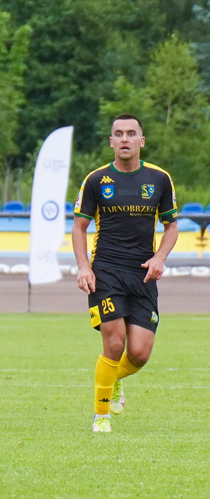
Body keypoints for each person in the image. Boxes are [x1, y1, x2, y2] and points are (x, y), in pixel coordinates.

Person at [72, 114, 179, 433]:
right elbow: (79, 228)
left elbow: (171, 225)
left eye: (131, 134)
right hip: (106, 271)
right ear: (111, 141)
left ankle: (114, 379)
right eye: (118, 134)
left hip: (144, 274)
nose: (124, 139)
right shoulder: (96, 180)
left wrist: (160, 256)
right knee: (115, 343)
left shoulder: (160, 179)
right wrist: (83, 267)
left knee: (140, 353)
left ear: (141, 141)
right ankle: (100, 417)